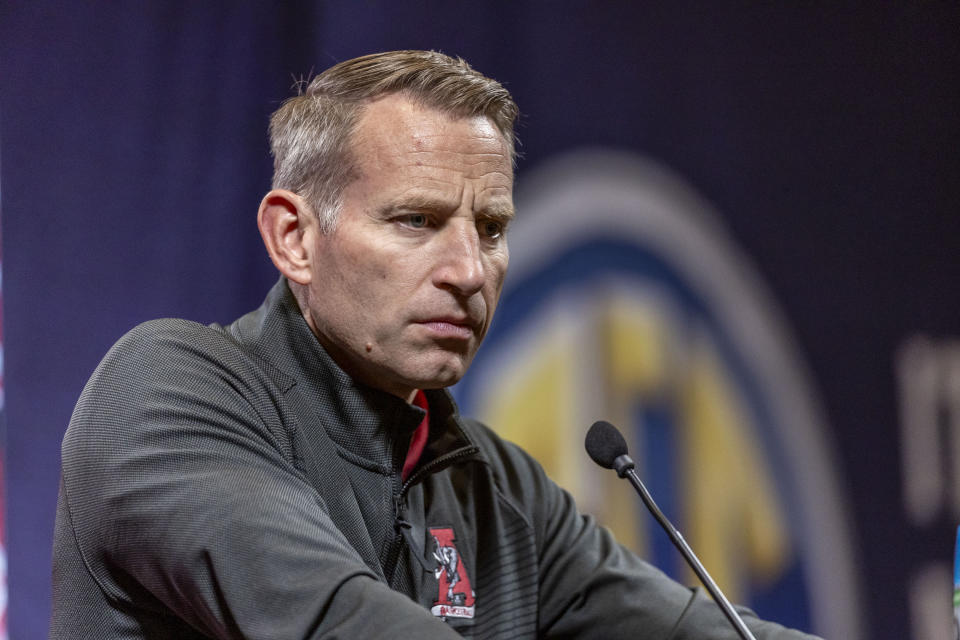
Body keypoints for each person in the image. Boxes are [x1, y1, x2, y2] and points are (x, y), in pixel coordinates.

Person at [50, 50, 820, 639]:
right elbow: (341, 625)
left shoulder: (497, 489)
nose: (467, 271)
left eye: (490, 229)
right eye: (415, 220)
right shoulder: (167, 393)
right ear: (294, 238)